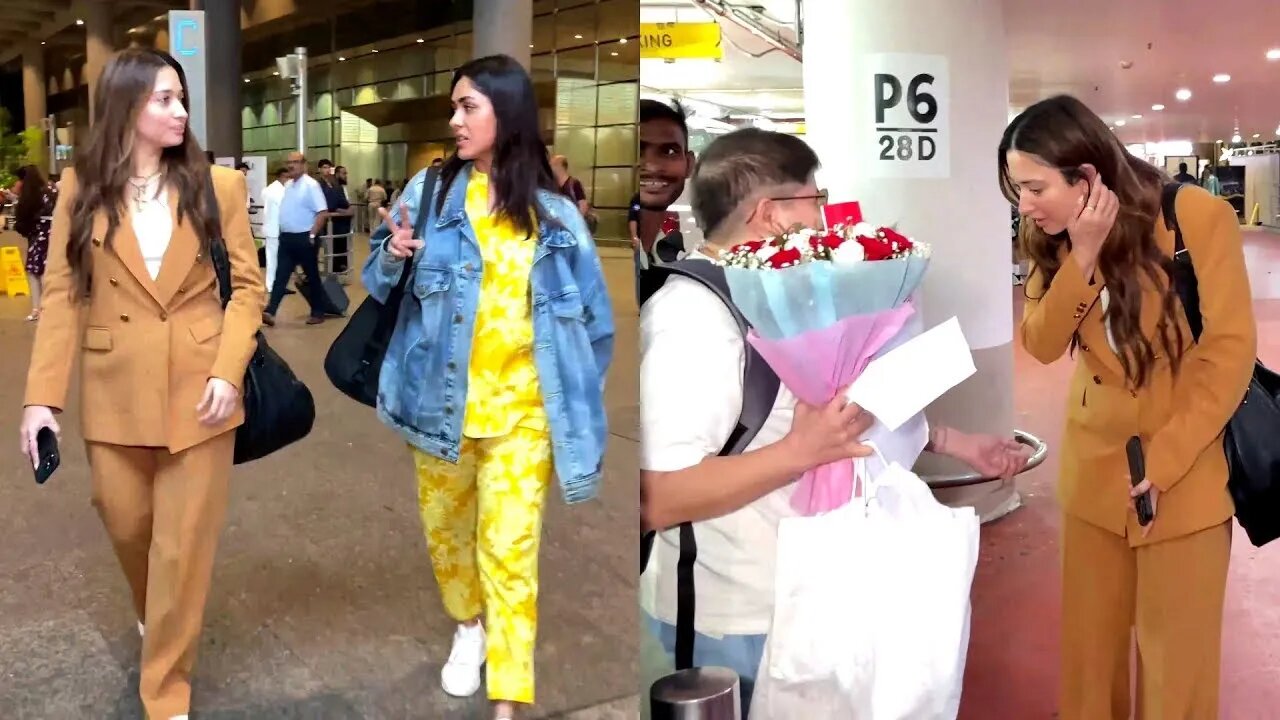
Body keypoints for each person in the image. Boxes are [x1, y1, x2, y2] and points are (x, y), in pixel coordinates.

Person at [639, 127, 1030, 717]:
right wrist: (799, 453)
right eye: (815, 201)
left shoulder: (780, 292)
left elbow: (840, 414)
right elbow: (655, 498)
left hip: (819, 593)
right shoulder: (693, 318)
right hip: (733, 618)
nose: (826, 216)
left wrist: (957, 442)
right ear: (772, 215)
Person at [363, 54, 613, 720]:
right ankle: (467, 624)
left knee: (510, 547)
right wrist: (391, 256)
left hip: (523, 417)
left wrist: (571, 399)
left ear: (507, 111)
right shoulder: (431, 191)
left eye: (467, 106)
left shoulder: (556, 216)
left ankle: (509, 693)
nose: (455, 120)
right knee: (447, 539)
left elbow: (596, 324)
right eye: (454, 107)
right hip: (437, 409)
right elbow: (376, 279)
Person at [17, 47, 264, 720]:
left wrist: (228, 369)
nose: (181, 111)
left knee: (181, 549)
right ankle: (159, 619)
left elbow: (247, 289)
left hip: (202, 392)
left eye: (181, 98)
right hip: (114, 389)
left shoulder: (220, 187)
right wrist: (42, 399)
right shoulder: (81, 187)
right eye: (164, 98)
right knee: (127, 525)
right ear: (126, 106)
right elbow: (63, 297)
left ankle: (166, 693)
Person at [1000, 95, 1255, 719]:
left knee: (1177, 670)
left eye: (1034, 187)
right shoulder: (1053, 237)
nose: (1023, 206)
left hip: (1184, 470)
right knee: (1091, 659)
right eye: (1016, 189)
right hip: (1093, 475)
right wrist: (1083, 255)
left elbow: (1228, 351)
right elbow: (1041, 341)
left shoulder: (1193, 216)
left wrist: (1163, 462)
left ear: (1086, 176)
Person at [261, 151, 329, 326]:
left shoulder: (311, 185)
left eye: (296, 162)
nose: (291, 165)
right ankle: (270, 311)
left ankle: (318, 311)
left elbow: (322, 212)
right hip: (287, 238)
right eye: (289, 162)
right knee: (281, 275)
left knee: (312, 275)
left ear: (304, 164)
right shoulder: (289, 185)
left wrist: (312, 234)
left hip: (305, 238)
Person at [13, 164, 57, 321]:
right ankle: (46, 308)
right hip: (52, 234)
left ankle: (38, 308)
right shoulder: (50, 190)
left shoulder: (32, 195)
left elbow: (23, 217)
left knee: (35, 272)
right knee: (44, 271)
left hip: (39, 235)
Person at [261, 165, 289, 293]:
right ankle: (272, 285)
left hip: (272, 229)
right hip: (275, 229)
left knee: (275, 259)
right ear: (283, 177)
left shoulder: (268, 189)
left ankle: (275, 285)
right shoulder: (277, 191)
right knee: (273, 259)